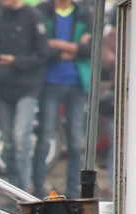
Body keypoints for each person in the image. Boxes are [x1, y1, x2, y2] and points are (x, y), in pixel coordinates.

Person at [0, 0, 46, 192]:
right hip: (3, 88)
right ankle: (13, 191)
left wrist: (15, 61)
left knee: (22, 140)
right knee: (9, 143)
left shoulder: (33, 17)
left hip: (27, 87)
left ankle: (24, 192)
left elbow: (43, 54)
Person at [31, 0, 91, 198]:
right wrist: (72, 47)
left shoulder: (83, 13)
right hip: (49, 81)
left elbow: (89, 48)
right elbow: (40, 45)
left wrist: (56, 44)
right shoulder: (43, 11)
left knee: (75, 142)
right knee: (44, 138)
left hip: (76, 82)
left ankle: (73, 192)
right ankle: (39, 188)